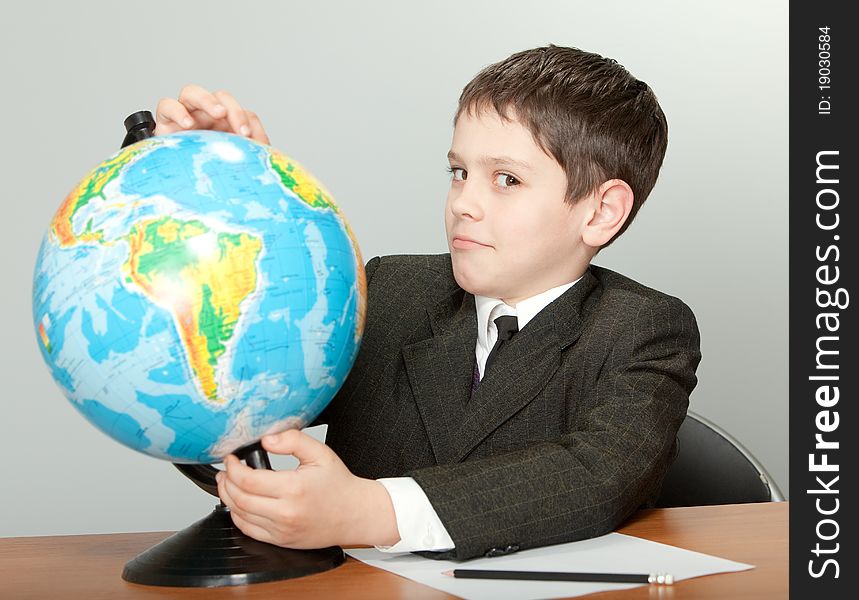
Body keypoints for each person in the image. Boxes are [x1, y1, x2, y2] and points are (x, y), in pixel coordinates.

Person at [147, 44, 701, 561]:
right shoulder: (393, 291)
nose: (465, 203)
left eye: (506, 179)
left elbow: (597, 474)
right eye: (459, 172)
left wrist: (370, 512)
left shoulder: (643, 328)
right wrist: (233, 207)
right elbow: (246, 397)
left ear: (601, 212)